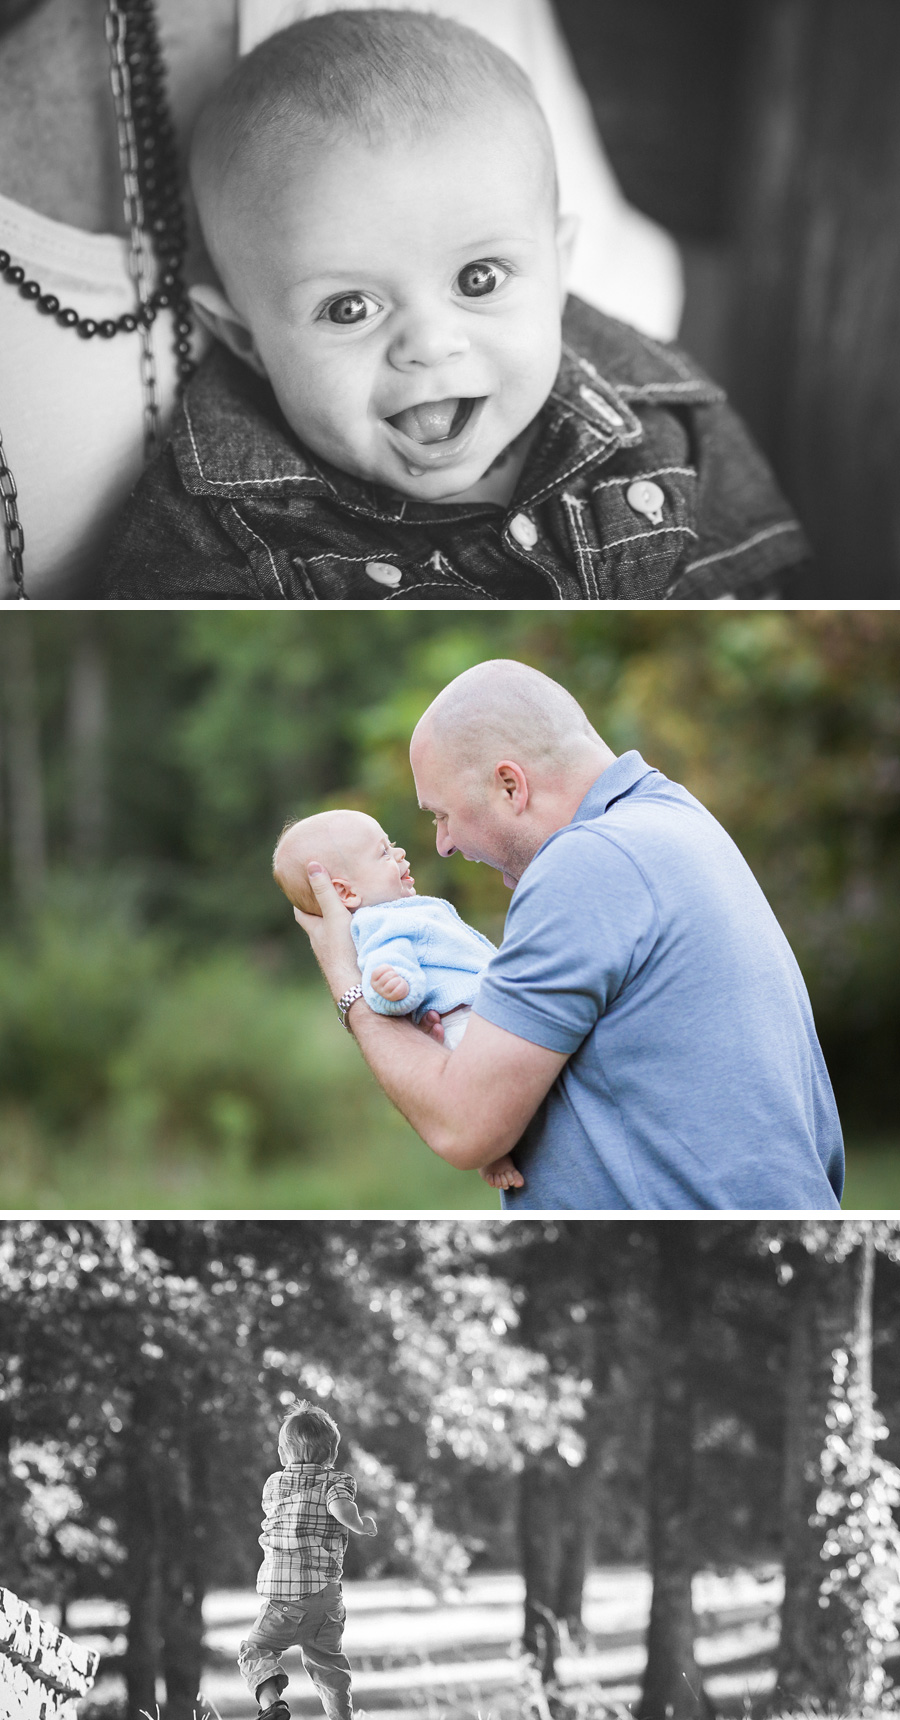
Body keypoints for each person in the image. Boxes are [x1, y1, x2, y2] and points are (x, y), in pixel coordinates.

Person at [100, 11, 806, 603]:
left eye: (477, 279)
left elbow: (768, 587)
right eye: (349, 308)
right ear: (246, 338)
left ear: (558, 268)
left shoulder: (668, 424)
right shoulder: (214, 529)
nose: (430, 345)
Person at [293, 656, 845, 1213]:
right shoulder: (677, 821)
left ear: (510, 785)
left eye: (442, 815)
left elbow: (464, 1128)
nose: (442, 845)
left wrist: (348, 979)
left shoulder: (587, 863)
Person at [272, 808, 521, 1191]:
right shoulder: (378, 924)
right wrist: (394, 987)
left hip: (479, 1006)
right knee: (496, 1091)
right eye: (384, 852)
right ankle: (492, 1154)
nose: (400, 853)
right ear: (345, 892)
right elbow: (386, 969)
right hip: (460, 1022)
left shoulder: (412, 909)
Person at [237, 1401, 375, 1720]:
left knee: (254, 1650)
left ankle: (271, 1705)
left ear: (284, 1452)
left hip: (284, 1601)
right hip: (326, 1600)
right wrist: (359, 1524)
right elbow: (340, 1507)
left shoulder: (274, 1485)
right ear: (332, 1452)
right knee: (330, 1668)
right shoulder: (337, 1480)